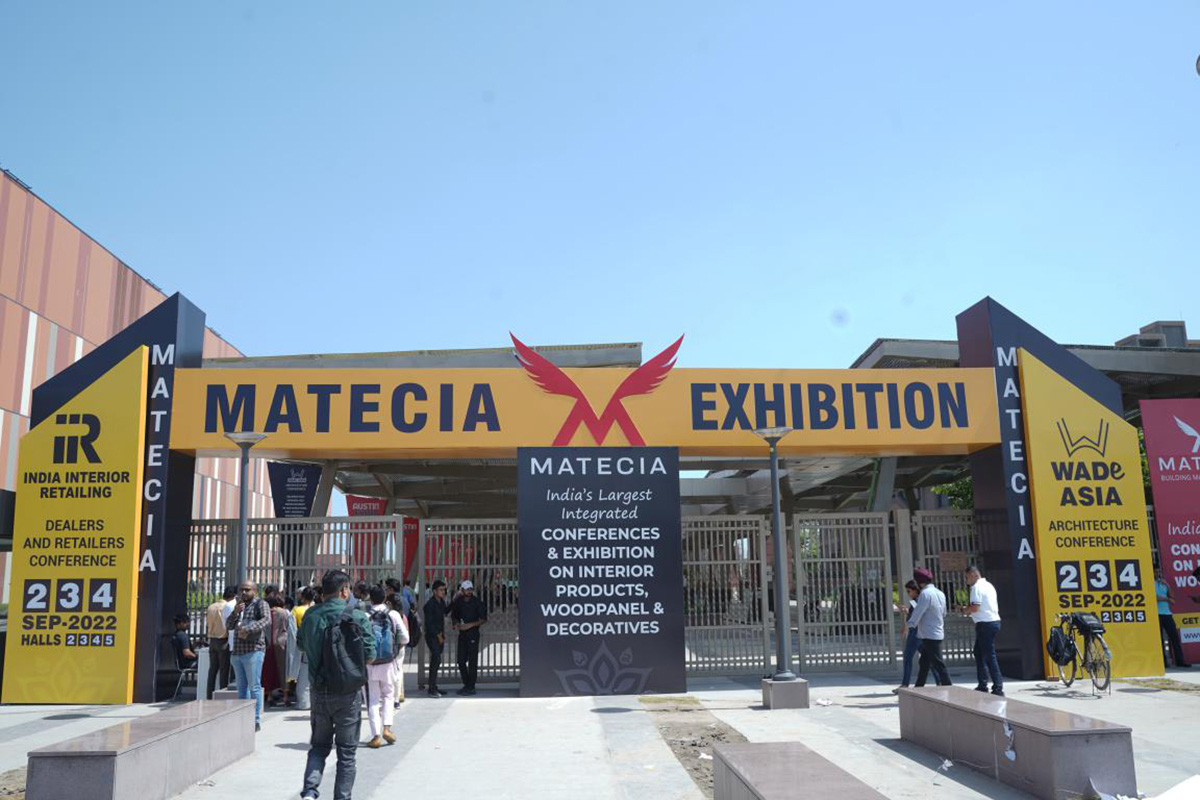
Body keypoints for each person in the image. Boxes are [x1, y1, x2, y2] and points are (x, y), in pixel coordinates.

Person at [298, 570, 375, 800]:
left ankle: (310, 792)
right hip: (348, 693)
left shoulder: (311, 615)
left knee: (319, 747)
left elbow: (301, 646)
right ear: (344, 590)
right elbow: (370, 655)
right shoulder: (358, 616)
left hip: (319, 691)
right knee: (347, 753)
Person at [364, 586, 409, 747]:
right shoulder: (393, 614)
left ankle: (376, 736)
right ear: (385, 598)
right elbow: (405, 638)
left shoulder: (365, 616)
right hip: (389, 663)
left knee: (373, 700)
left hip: (370, 664)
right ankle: (387, 729)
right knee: (388, 696)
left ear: (370, 599)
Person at [226, 581, 272, 732]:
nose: (244, 592)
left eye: (247, 590)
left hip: (253, 651)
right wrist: (235, 612)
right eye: (241, 590)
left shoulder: (260, 604)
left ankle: (255, 720)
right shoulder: (239, 606)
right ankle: (243, 718)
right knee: (241, 689)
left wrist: (248, 628)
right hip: (237, 652)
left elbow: (266, 620)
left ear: (255, 591)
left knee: (254, 687)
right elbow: (228, 626)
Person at [964, 565, 1003, 696]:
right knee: (979, 652)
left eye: (967, 577)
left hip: (985, 624)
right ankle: (982, 684)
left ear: (973, 575)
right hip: (993, 622)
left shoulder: (976, 587)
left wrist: (964, 610)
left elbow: (975, 608)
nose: (967, 581)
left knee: (989, 655)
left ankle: (998, 687)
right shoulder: (989, 585)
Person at [910, 568, 952, 687]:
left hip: (928, 633)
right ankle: (919, 686)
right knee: (924, 662)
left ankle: (948, 686)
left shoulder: (925, 594)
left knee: (938, 663)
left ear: (919, 582)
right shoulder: (940, 593)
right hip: (937, 631)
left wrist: (910, 624)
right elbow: (944, 613)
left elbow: (918, 612)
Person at [449, 579, 487, 696]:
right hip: (462, 634)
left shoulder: (477, 602)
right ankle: (467, 684)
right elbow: (454, 615)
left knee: (472, 661)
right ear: (462, 590)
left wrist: (470, 625)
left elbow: (483, 619)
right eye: (466, 589)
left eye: (470, 589)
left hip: (473, 634)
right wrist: (456, 624)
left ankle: (471, 686)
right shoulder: (458, 602)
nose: (469, 591)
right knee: (461, 661)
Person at [205, 585, 236, 699]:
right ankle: (223, 695)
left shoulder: (211, 606)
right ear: (233, 596)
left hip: (212, 640)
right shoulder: (227, 607)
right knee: (224, 671)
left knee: (212, 670)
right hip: (223, 640)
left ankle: (209, 695)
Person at [1156, 569, 1190, 669]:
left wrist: (1167, 585)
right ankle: (1164, 662)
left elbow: (1173, 597)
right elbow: (1154, 597)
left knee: (1175, 637)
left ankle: (1180, 661)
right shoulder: (1151, 583)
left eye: (1159, 572)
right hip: (1157, 614)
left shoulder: (1164, 583)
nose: (1158, 574)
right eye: (1156, 572)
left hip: (1167, 613)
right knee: (1160, 639)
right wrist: (1166, 599)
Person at [892, 580, 922, 694]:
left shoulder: (918, 601)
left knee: (908, 657)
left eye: (909, 591)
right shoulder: (918, 601)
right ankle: (940, 681)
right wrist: (906, 611)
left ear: (915, 590)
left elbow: (916, 617)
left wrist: (906, 627)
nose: (908, 593)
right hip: (920, 633)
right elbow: (913, 615)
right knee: (929, 658)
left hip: (915, 633)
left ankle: (905, 684)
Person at [263, 594, 292, 707]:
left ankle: (270, 696)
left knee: (269, 670)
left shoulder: (266, 613)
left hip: (267, 644)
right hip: (282, 643)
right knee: (283, 669)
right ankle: (285, 697)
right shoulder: (285, 612)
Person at [424, 580, 449, 697]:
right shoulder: (430, 605)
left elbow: (446, 611)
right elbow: (429, 624)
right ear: (434, 591)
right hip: (432, 636)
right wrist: (438, 635)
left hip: (440, 635)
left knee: (437, 661)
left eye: (444, 590)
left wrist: (455, 599)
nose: (443, 592)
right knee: (436, 659)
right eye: (441, 590)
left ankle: (434, 686)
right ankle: (431, 688)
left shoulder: (441, 602)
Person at [384, 592, 408, 707]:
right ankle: (397, 698)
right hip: (400, 647)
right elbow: (405, 634)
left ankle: (393, 697)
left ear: (389, 603)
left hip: (392, 646)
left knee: (392, 672)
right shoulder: (403, 616)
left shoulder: (390, 615)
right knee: (398, 671)